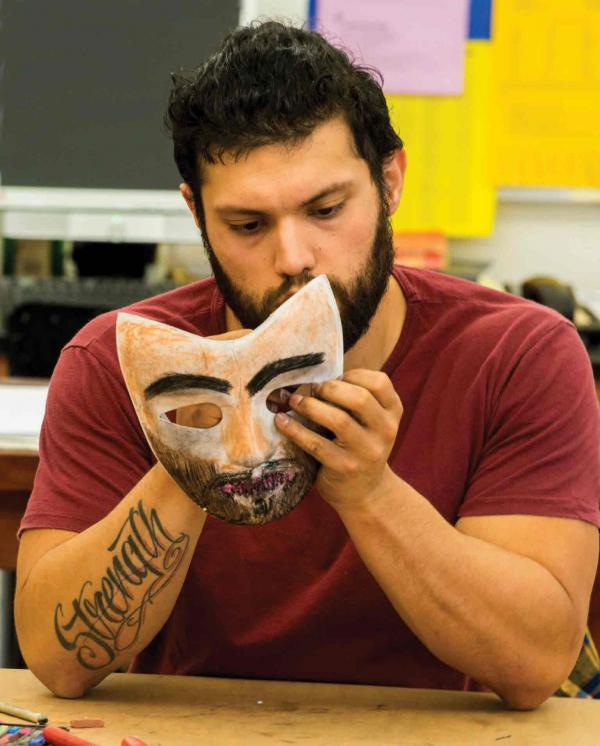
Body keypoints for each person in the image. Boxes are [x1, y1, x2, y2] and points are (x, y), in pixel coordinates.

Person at [15, 21, 599, 709]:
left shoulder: (518, 355)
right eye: (247, 226)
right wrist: (191, 460)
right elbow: (59, 663)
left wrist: (371, 493)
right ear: (195, 214)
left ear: (390, 181)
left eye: (326, 209)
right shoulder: (121, 359)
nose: (294, 257)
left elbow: (535, 664)